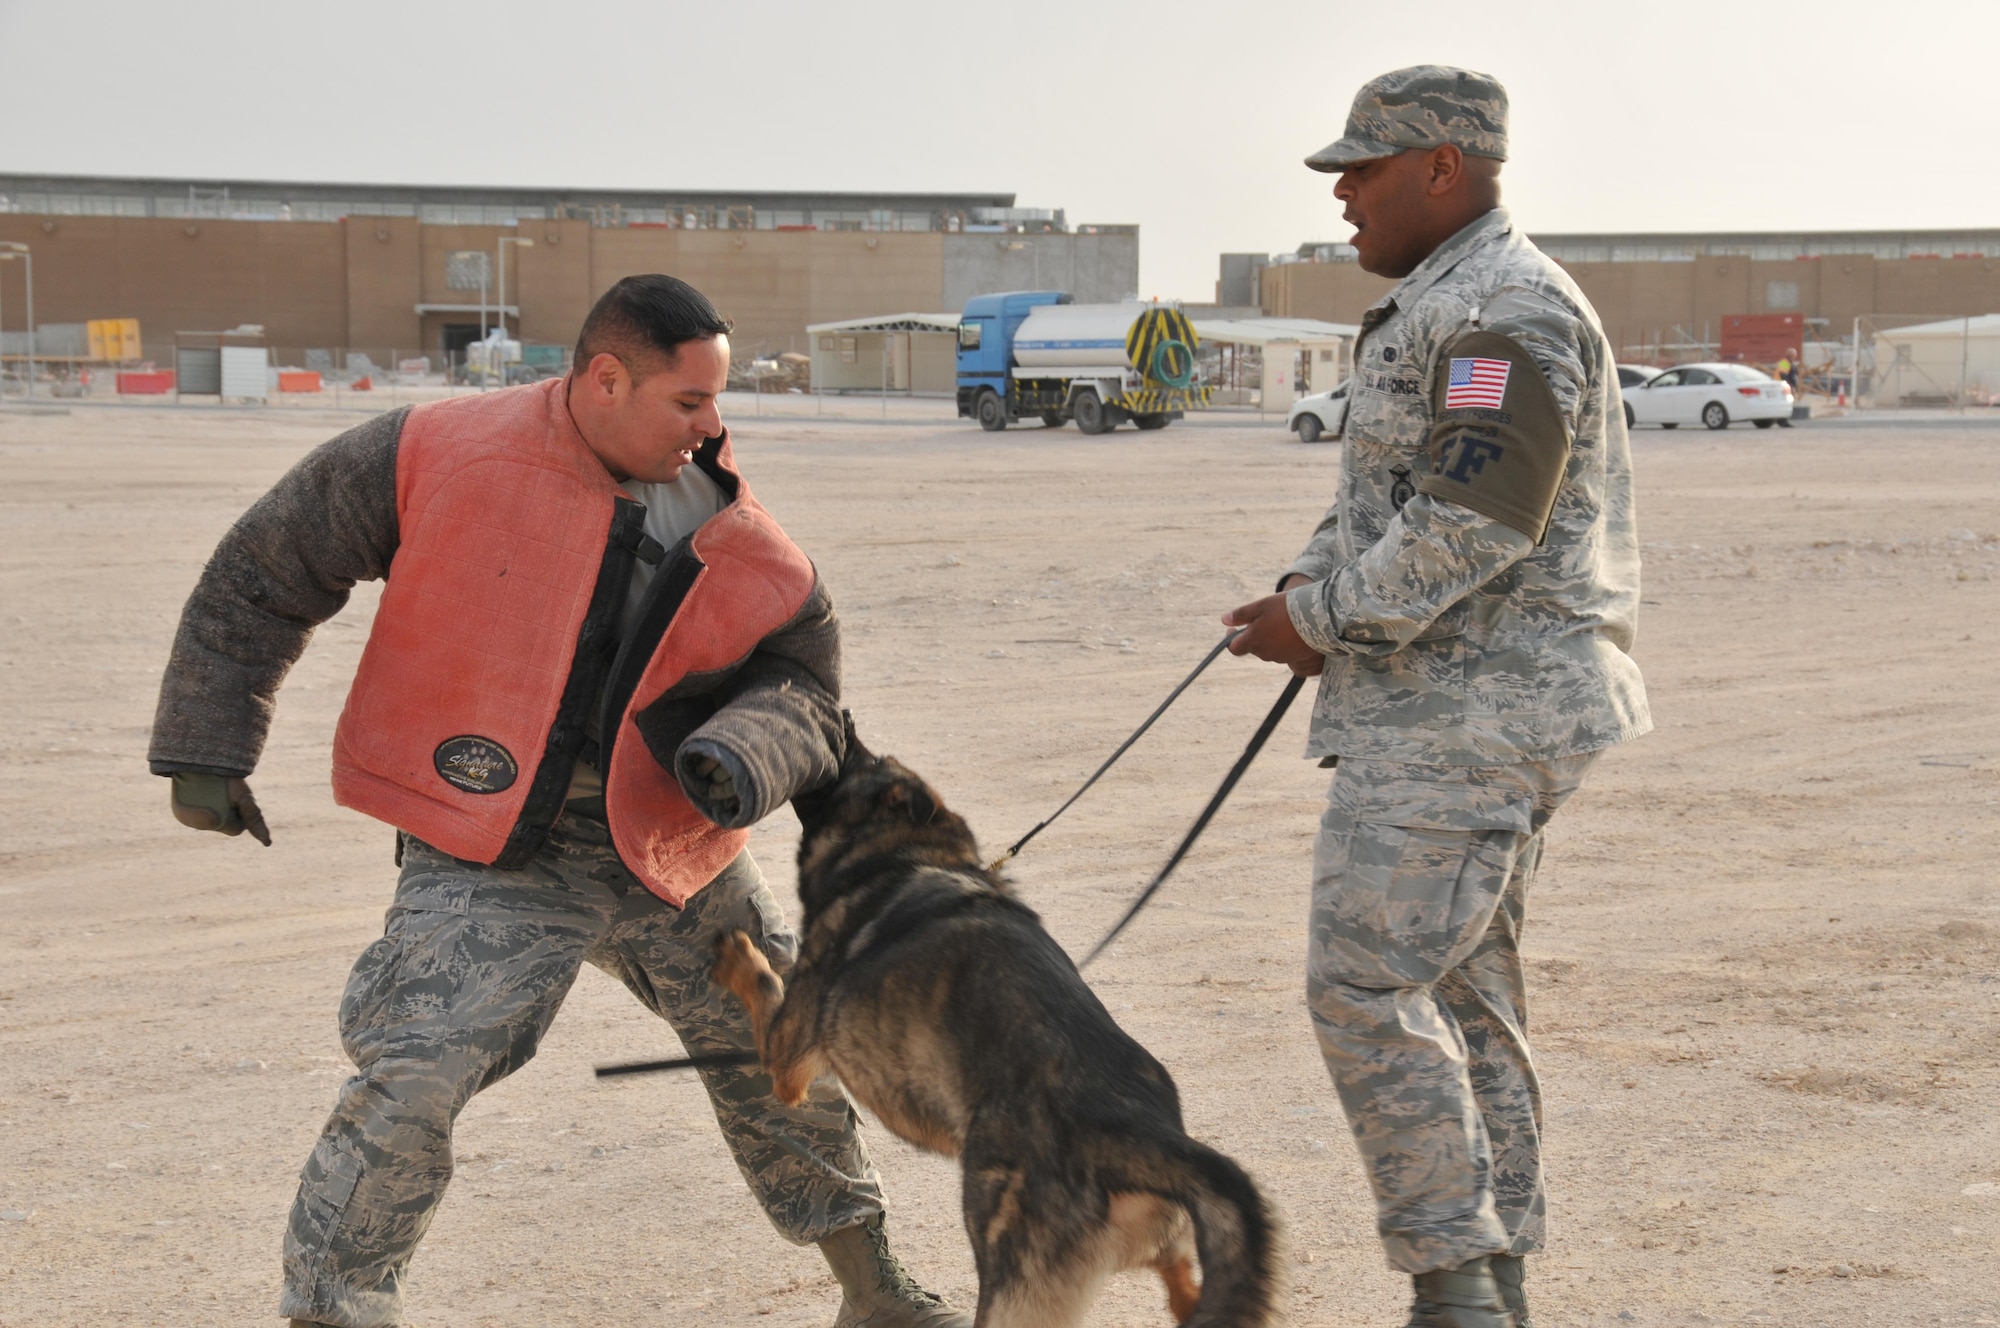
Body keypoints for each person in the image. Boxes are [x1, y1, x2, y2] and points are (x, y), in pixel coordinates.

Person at [149, 275, 969, 1328]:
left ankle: (873, 1289)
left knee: (779, 1047)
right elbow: (266, 565)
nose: (713, 426)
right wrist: (204, 748)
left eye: (716, 402)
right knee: (417, 1073)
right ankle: (334, 1311)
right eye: (688, 402)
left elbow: (806, 680)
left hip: (673, 846)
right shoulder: (434, 451)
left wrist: (739, 751)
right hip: (489, 845)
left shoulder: (734, 524)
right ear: (605, 378)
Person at [1220, 67, 1651, 1328]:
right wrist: (1310, 576)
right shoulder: (1451, 302)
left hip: (1466, 718)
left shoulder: (1501, 309)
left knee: (1360, 983)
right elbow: (1397, 494)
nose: (1343, 193)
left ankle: (1454, 1286)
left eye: (1363, 166)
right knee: (1462, 996)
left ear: (1443, 167)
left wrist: (1318, 618)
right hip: (1458, 708)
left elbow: (1470, 521)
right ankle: (1490, 1284)